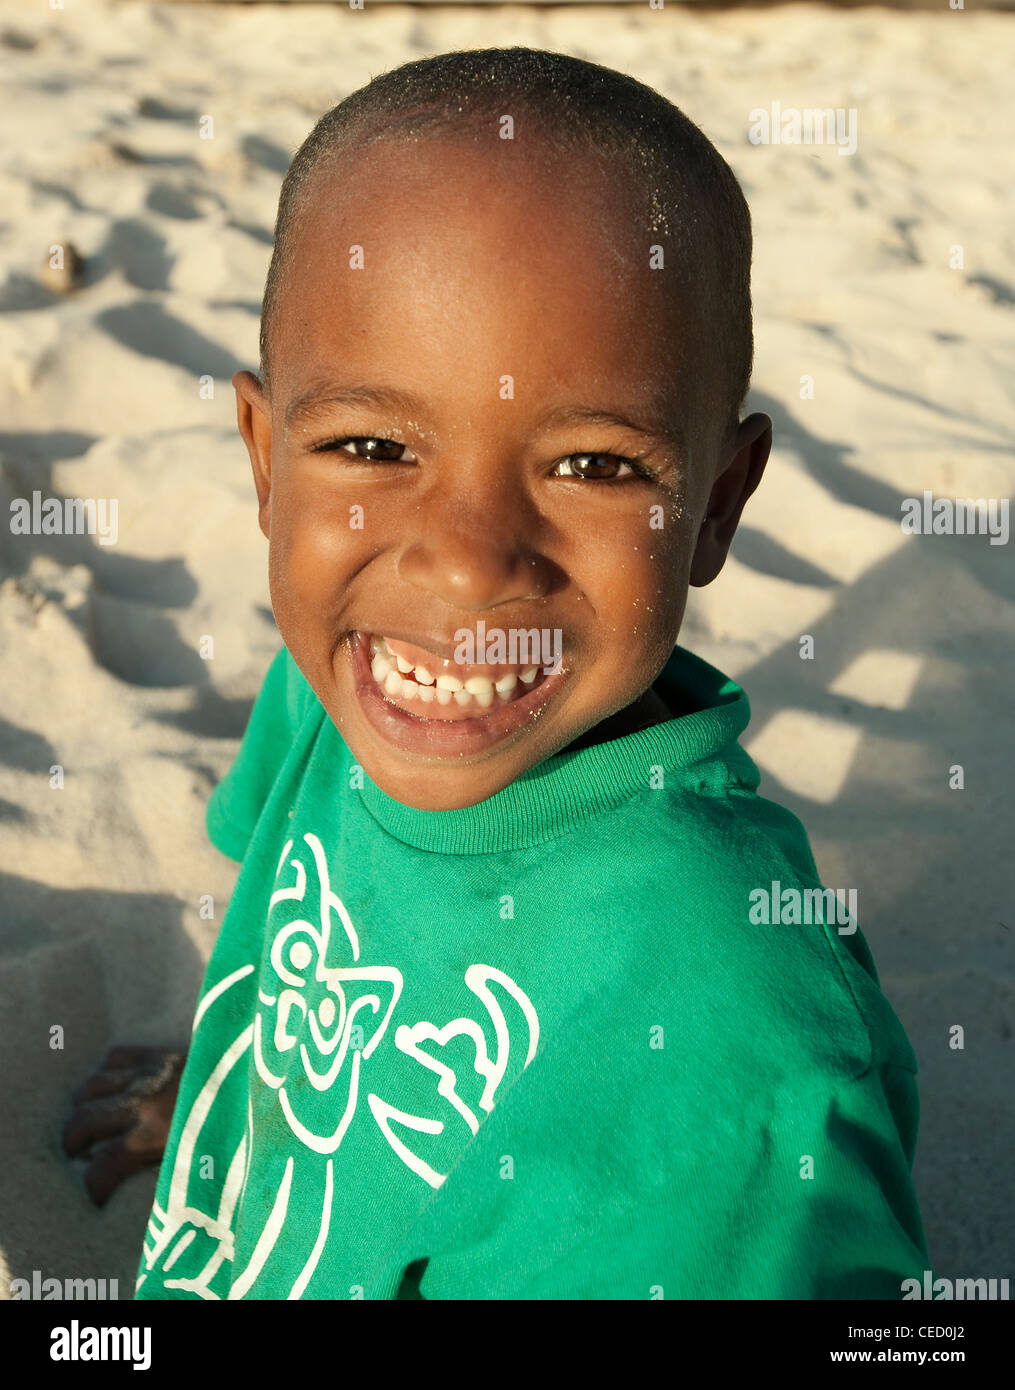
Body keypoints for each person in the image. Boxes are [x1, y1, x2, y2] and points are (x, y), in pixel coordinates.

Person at [65, 46, 930, 1300]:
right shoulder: (341, 691)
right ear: (266, 461)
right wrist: (232, 1068)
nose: (466, 569)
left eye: (593, 465)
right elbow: (297, 925)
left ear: (718, 505)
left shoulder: (725, 1065)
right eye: (370, 445)